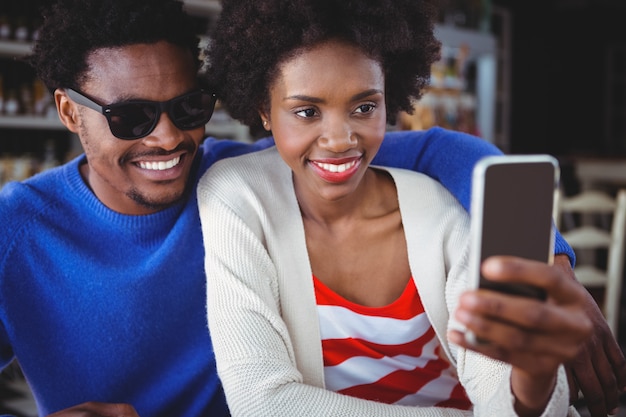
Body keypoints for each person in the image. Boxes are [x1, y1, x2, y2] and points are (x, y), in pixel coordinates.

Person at [0, 0, 621, 416]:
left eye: (188, 109)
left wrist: (553, 263)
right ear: (68, 112)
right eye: (130, 117)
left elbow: (441, 151)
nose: (166, 138)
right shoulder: (16, 227)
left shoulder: (233, 173)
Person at [197, 1, 598, 416]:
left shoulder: (442, 214)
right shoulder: (237, 197)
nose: (339, 139)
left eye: (364, 107)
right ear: (264, 110)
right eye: (307, 112)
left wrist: (533, 380)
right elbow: (262, 403)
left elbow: (509, 398)